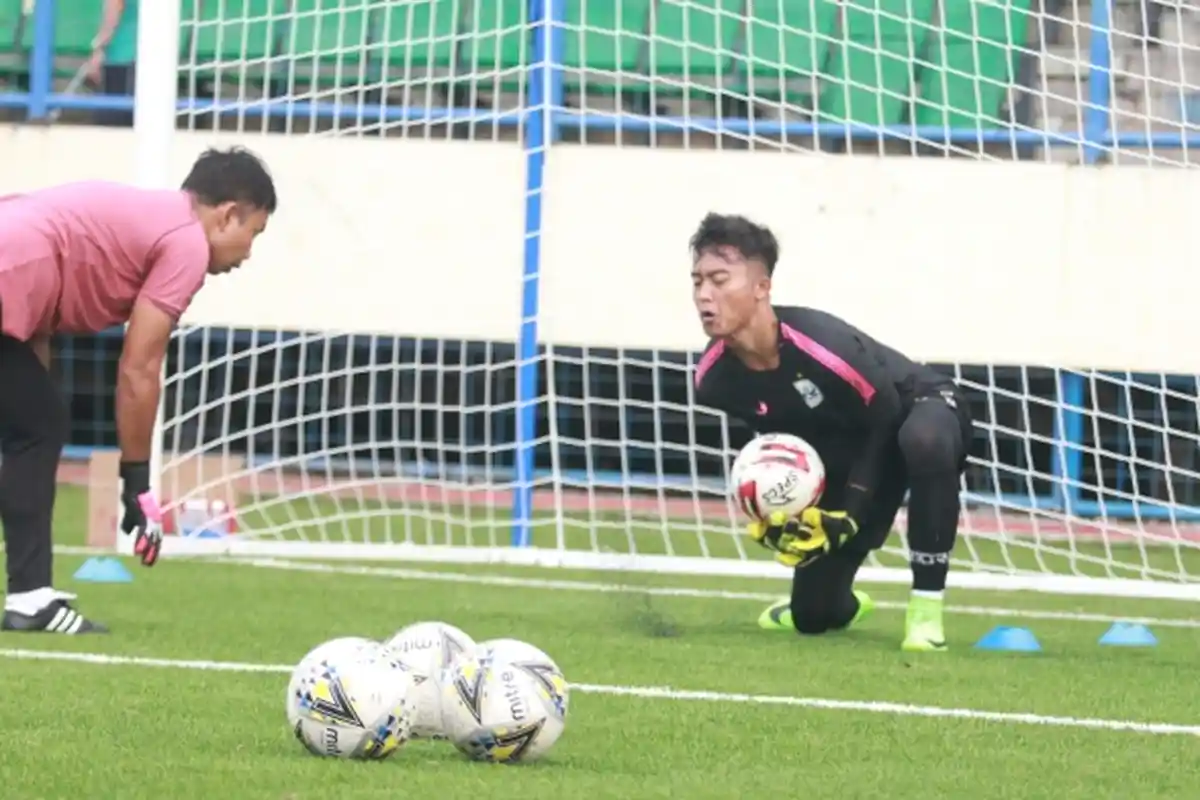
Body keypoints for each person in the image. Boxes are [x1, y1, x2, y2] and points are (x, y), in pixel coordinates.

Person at [0, 146, 277, 635]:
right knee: (40, 425)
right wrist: (137, 484)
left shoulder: (150, 222)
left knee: (36, 419)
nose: (249, 253)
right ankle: (30, 599)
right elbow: (139, 367)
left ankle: (30, 594)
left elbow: (32, 325)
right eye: (253, 233)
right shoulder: (188, 243)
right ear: (227, 215)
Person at [690, 213, 972, 652]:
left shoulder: (823, 346)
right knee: (812, 617)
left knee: (925, 441)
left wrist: (854, 508)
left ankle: (925, 612)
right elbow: (778, 445)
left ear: (762, 287)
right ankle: (836, 602)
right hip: (851, 442)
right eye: (697, 282)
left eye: (719, 280)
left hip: (915, 406)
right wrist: (777, 510)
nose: (704, 295)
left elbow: (885, 414)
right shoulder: (714, 378)